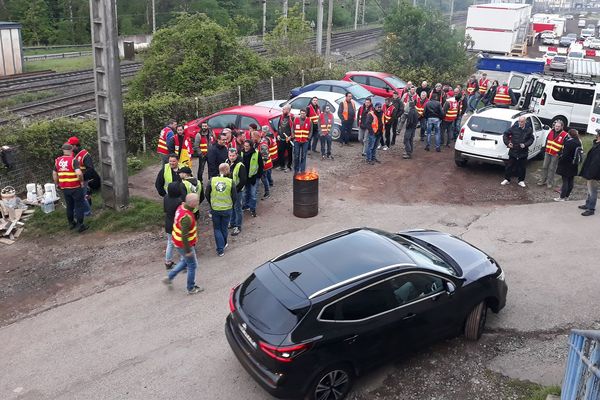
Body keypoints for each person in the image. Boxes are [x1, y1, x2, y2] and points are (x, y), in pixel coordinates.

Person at [161, 193, 204, 294]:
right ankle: (191, 288)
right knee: (192, 265)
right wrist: (188, 250)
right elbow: (185, 236)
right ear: (192, 203)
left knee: (185, 261)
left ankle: (169, 277)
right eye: (197, 201)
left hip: (177, 241)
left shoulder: (181, 207)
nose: (198, 203)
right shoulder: (187, 217)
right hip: (184, 244)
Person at [53, 143, 87, 232]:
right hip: (75, 187)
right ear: (71, 150)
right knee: (79, 206)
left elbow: (54, 174)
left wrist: (57, 184)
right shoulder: (73, 160)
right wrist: (82, 182)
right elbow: (79, 173)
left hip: (65, 188)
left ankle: (71, 223)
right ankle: (80, 225)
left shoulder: (57, 160)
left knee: (69, 206)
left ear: (63, 150)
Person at [206, 163, 237, 256]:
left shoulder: (212, 180)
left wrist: (211, 203)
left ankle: (220, 249)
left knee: (217, 228)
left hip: (215, 208)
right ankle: (223, 243)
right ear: (227, 170)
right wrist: (231, 205)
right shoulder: (231, 182)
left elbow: (207, 193)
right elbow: (234, 196)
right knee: (224, 227)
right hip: (227, 208)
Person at [68, 136, 97, 216]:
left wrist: (82, 179)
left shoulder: (85, 155)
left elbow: (90, 169)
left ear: (75, 145)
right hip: (75, 179)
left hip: (82, 179)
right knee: (78, 196)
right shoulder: (72, 153)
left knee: (82, 196)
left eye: (70, 145)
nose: (69, 147)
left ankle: (87, 213)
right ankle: (78, 211)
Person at [501, 116, 534, 187]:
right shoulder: (514, 128)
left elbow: (531, 139)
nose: (520, 123)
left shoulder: (529, 129)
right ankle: (507, 179)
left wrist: (525, 145)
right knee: (509, 166)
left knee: (522, 167)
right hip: (513, 150)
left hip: (523, 152)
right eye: (519, 121)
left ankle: (521, 180)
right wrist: (507, 143)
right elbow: (505, 134)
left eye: (522, 122)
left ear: (525, 122)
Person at [538, 120, 568, 189]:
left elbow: (565, 146)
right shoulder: (551, 131)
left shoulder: (564, 135)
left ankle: (549, 182)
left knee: (552, 168)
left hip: (555, 154)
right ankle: (543, 180)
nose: (556, 127)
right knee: (544, 166)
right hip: (548, 152)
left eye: (558, 126)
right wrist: (545, 148)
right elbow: (547, 140)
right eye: (556, 126)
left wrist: (559, 153)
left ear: (562, 127)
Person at [555, 129, 582, 202]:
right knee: (571, 180)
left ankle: (562, 197)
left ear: (570, 134)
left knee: (565, 181)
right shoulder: (578, 142)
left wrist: (560, 156)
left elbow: (565, 155)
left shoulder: (569, 142)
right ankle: (567, 196)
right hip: (574, 164)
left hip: (566, 164)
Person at [578, 133, 600, 216]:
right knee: (589, 190)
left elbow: (596, 163)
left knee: (593, 191)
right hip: (590, 171)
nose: (596, 135)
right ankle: (587, 204)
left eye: (597, 134)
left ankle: (591, 209)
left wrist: (591, 174)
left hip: (594, 173)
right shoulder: (596, 144)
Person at [163, 182, 183, 270]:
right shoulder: (179, 201)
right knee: (181, 243)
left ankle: (168, 262)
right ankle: (183, 263)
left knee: (170, 243)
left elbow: (165, 210)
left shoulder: (166, 197)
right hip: (176, 224)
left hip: (168, 222)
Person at [226, 148, 246, 236]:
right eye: (230, 155)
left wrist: (236, 190)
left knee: (237, 208)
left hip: (237, 191)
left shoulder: (240, 165)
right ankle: (232, 222)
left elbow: (243, 180)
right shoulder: (227, 162)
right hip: (229, 190)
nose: (231, 157)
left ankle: (238, 226)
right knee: (232, 207)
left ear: (236, 155)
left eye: (233, 155)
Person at [241, 139, 263, 217]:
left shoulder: (256, 153)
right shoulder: (241, 153)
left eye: (247, 146)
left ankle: (252, 209)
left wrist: (259, 176)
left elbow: (260, 165)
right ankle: (245, 206)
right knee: (244, 193)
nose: (245, 148)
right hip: (244, 178)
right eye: (245, 146)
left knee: (253, 194)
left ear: (251, 146)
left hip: (254, 177)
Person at [292, 109, 312, 174]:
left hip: (305, 141)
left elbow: (311, 130)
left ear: (306, 114)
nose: (302, 114)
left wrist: (308, 138)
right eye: (301, 113)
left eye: (304, 113)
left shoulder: (309, 120)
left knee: (303, 156)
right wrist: (294, 136)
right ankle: (296, 170)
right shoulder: (296, 119)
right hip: (297, 141)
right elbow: (292, 128)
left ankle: (302, 170)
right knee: (296, 156)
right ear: (300, 113)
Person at [277, 105, 294, 172]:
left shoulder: (292, 118)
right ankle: (282, 166)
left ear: (288, 110)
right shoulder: (281, 117)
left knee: (289, 153)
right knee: (280, 152)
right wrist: (278, 134)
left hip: (288, 139)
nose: (282, 110)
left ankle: (289, 167)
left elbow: (294, 129)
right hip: (281, 138)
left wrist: (290, 137)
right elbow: (279, 126)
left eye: (284, 109)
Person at [259, 129, 274, 199]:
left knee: (264, 178)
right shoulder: (269, 138)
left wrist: (262, 165)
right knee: (267, 175)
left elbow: (265, 156)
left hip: (266, 164)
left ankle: (267, 192)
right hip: (269, 162)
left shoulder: (264, 142)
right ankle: (270, 183)